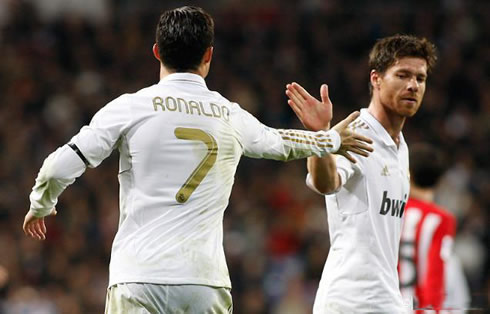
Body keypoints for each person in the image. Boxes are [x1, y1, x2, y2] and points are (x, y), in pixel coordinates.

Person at [23, 6, 373, 313]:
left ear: (157, 52)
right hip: (204, 282)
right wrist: (329, 138)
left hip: (139, 277)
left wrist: (42, 203)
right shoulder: (230, 114)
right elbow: (279, 142)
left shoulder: (130, 107)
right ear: (209, 55)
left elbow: (59, 166)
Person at [285, 34, 438, 313]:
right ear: (376, 79)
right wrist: (321, 137)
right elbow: (325, 183)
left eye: (420, 78)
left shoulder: (400, 147)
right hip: (351, 302)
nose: (413, 85)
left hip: (388, 298)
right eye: (403, 75)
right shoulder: (356, 134)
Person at [398, 143, 470, 312]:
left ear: (408, 173)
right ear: (439, 179)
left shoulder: (392, 211)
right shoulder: (441, 219)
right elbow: (435, 275)